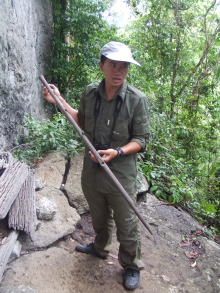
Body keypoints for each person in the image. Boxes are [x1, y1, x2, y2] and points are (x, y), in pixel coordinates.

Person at [42, 41, 150, 290]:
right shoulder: (90, 92)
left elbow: (142, 140)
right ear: (101, 65)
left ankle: (131, 265)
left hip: (121, 171)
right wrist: (58, 100)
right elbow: (80, 121)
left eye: (124, 66)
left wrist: (118, 151)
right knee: (98, 214)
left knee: (126, 221)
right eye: (113, 65)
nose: (118, 71)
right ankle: (100, 248)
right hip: (92, 167)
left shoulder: (137, 100)